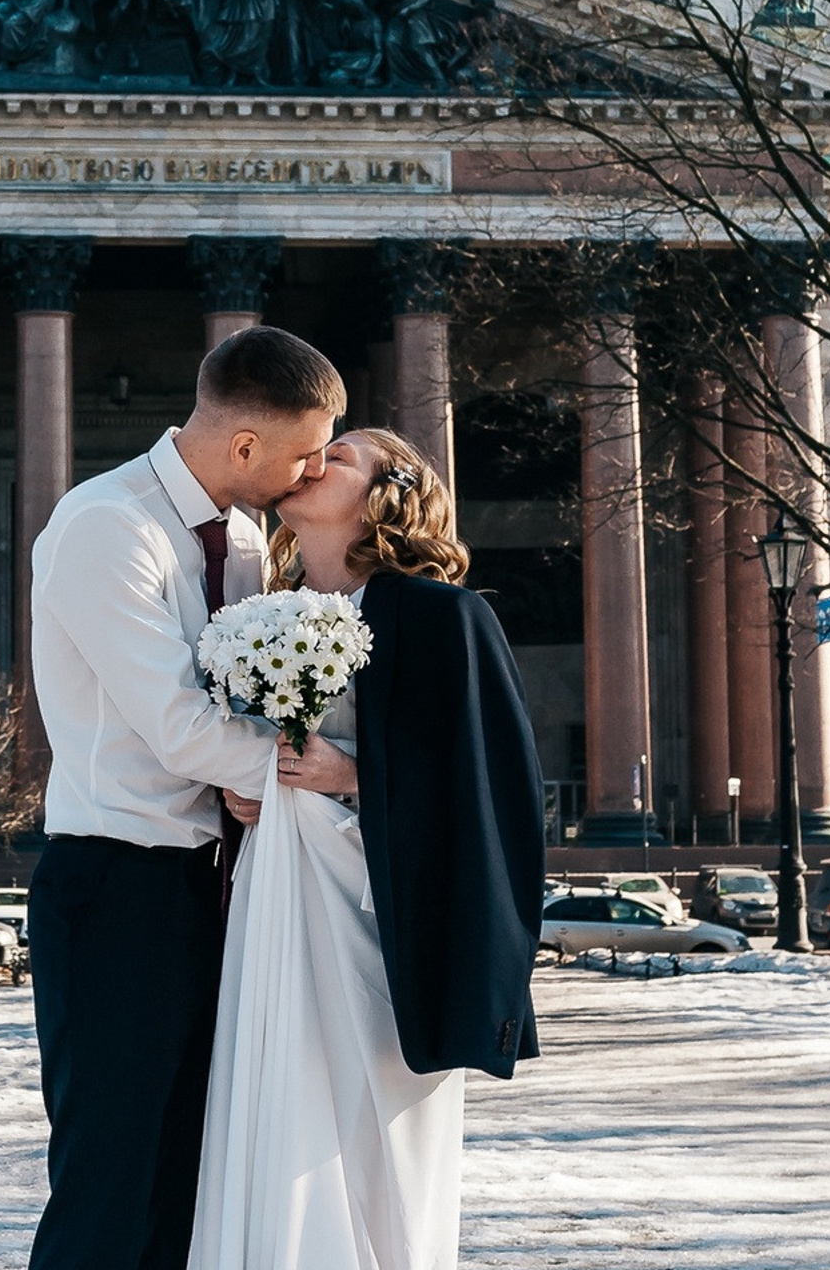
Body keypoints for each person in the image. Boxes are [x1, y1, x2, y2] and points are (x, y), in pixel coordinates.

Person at [26, 326, 351, 1270]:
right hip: (117, 890)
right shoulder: (105, 526)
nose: (317, 467)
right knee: (109, 1180)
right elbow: (176, 723)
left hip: (224, 887)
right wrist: (312, 784)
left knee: (192, 1179)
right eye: (306, 449)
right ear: (245, 445)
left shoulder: (247, 533)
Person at [189, 428, 546, 1270]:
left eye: (338, 455)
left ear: (391, 492)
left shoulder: (445, 616)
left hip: (386, 938)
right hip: (273, 906)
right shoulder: (251, 621)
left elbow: (496, 790)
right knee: (270, 1114)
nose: (311, 461)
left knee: (370, 1147)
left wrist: (354, 775)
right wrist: (238, 785)